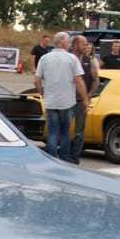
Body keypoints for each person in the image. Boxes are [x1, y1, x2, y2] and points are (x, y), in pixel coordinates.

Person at [33, 31, 87, 161]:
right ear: (64, 44)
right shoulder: (72, 59)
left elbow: (36, 80)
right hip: (67, 101)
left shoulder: (45, 58)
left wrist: (42, 92)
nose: (69, 45)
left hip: (51, 101)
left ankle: (51, 158)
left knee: (52, 132)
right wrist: (85, 98)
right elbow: (79, 80)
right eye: (68, 42)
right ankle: (63, 159)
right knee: (65, 132)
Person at [69, 34, 100, 164]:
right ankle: (64, 156)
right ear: (75, 45)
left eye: (87, 44)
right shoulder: (68, 59)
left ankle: (75, 158)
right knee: (64, 129)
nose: (86, 46)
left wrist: (89, 95)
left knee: (79, 132)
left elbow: (96, 80)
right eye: (83, 44)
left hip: (81, 101)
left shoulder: (88, 61)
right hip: (68, 99)